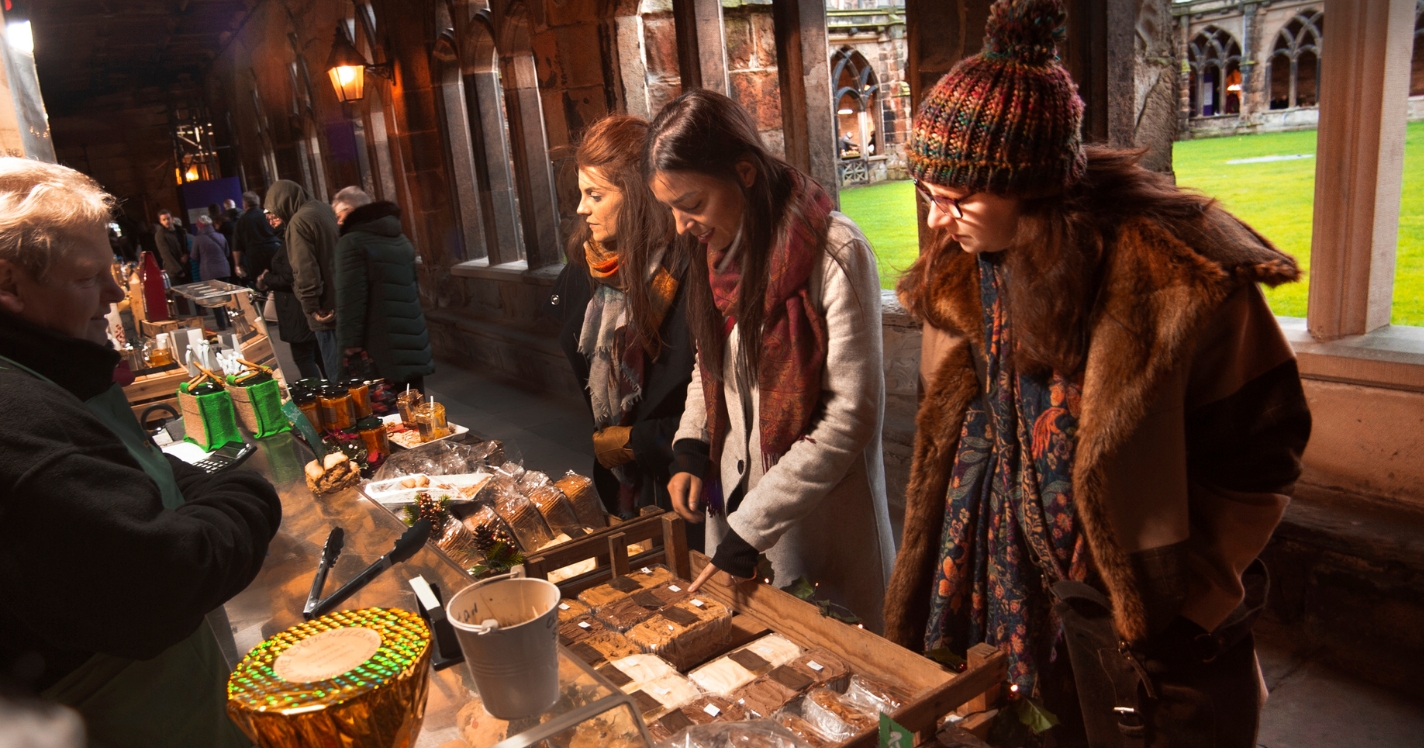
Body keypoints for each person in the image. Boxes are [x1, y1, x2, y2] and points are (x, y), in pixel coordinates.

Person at [881, 1, 1312, 745]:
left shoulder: (1179, 279)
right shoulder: (970, 260)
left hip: (1141, 598)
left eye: (960, 197)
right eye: (927, 193)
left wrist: (1191, 602)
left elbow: (1262, 452)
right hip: (1000, 569)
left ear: (1037, 187)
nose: (935, 221)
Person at [0, 157, 280, 746]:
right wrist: (248, 488)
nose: (113, 293)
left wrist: (193, 477)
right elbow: (167, 582)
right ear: (7, 285)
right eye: (88, 278)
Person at [648, 90, 894, 627]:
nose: (680, 226)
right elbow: (710, 362)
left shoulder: (835, 252)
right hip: (736, 516)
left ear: (745, 171)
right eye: (669, 208)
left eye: (691, 204)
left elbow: (850, 418)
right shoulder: (716, 251)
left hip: (819, 529)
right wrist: (690, 447)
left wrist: (754, 522)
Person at [552, 115, 695, 520]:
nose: (582, 209)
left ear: (637, 195)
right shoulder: (586, 269)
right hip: (622, 484)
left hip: (685, 483)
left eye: (595, 195)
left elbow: (718, 397)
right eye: (581, 194)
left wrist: (638, 441)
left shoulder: (687, 269)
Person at [332, 189, 435, 391]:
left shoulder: (352, 243)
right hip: (411, 338)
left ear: (351, 211)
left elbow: (350, 298)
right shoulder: (399, 239)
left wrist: (349, 343)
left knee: (386, 411)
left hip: (378, 342)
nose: (337, 222)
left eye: (339, 215)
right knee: (415, 402)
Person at [265, 180, 342, 381]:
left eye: (275, 209)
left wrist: (311, 306)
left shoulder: (299, 222)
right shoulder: (324, 209)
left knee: (335, 370)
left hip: (325, 306)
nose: (275, 215)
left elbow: (305, 269)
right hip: (343, 297)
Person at [260, 215, 325, 381]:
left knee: (304, 357)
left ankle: (318, 396)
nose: (271, 222)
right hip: (299, 307)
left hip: (297, 309)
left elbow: (289, 277)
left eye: (274, 217)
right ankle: (327, 393)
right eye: (268, 219)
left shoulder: (292, 243)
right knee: (316, 355)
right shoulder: (289, 240)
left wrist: (267, 278)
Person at [232, 191, 276, 286]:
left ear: (245, 204)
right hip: (274, 250)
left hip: (255, 255)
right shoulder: (269, 215)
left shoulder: (241, 221)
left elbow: (236, 247)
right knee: (277, 277)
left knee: (261, 283)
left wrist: (238, 264)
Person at [153, 209, 188, 283]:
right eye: (164, 220)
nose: (166, 221)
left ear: (172, 218)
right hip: (173, 271)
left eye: (168, 218)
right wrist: (178, 271)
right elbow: (165, 254)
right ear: (160, 221)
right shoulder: (160, 235)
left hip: (186, 266)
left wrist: (186, 255)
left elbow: (185, 245)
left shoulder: (180, 230)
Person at [193, 214, 230, 282]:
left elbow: (194, 256)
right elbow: (227, 253)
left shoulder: (198, 239)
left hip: (208, 273)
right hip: (224, 271)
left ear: (199, 226)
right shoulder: (221, 236)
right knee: (226, 292)